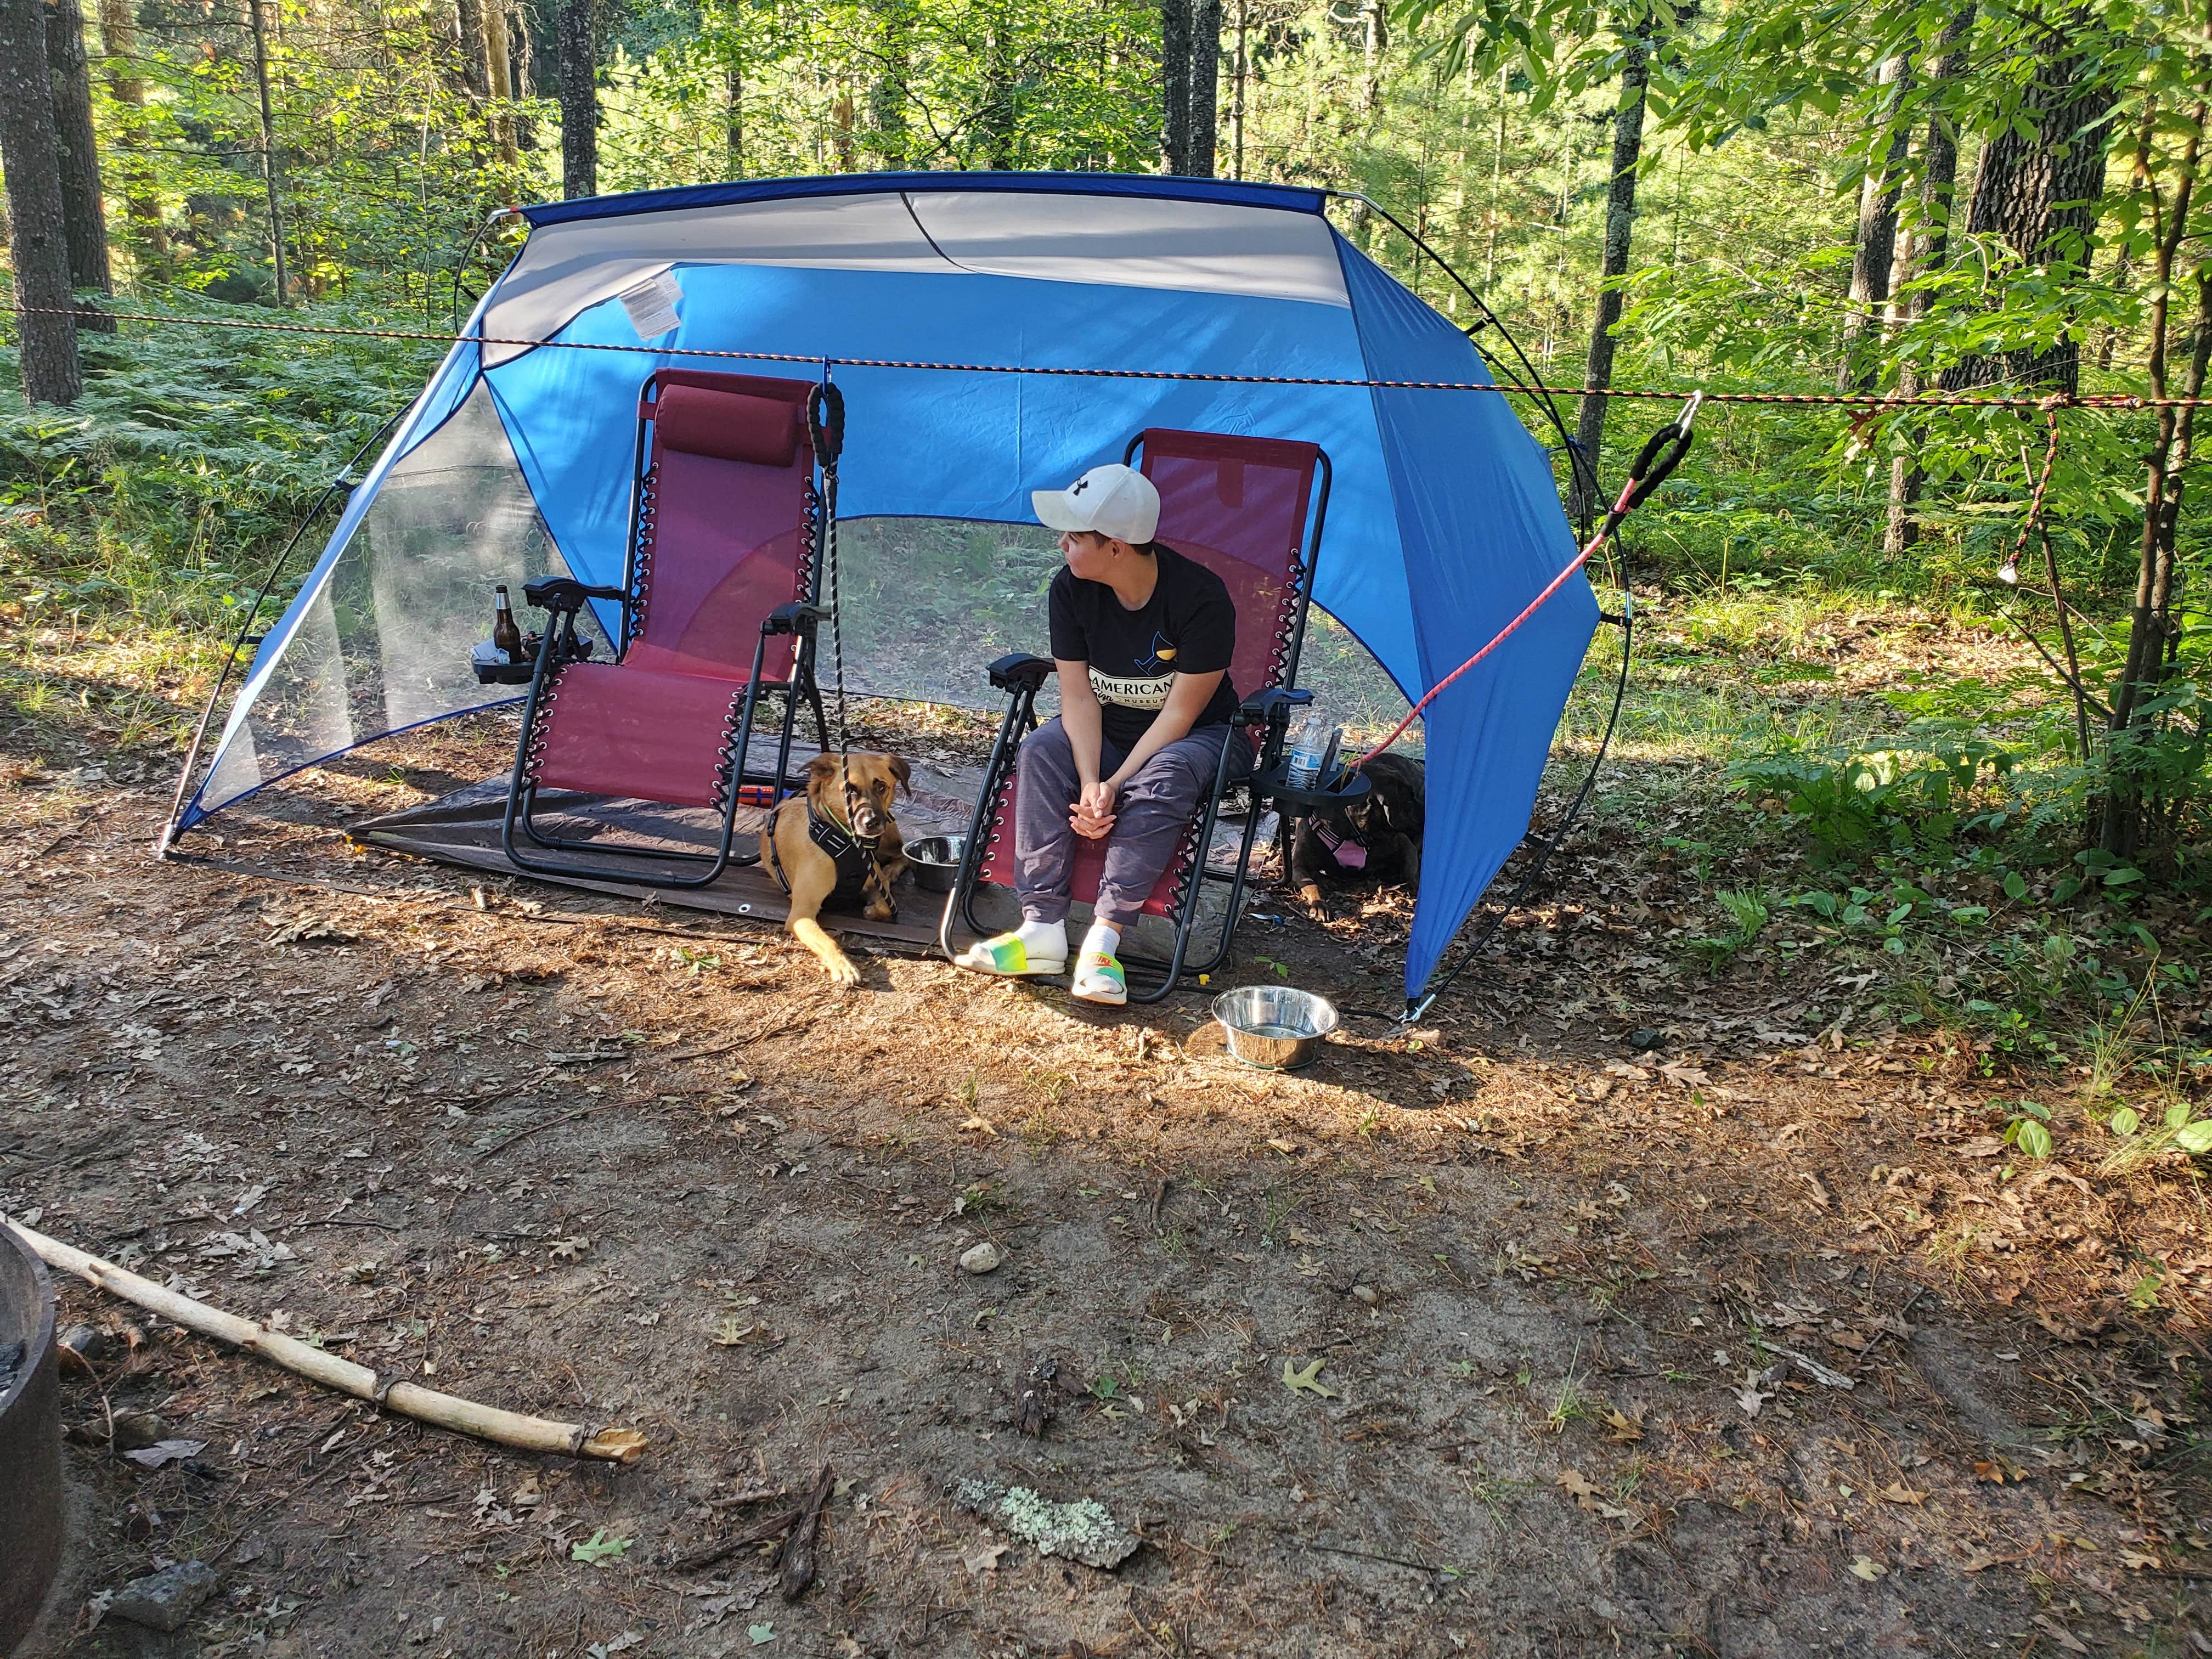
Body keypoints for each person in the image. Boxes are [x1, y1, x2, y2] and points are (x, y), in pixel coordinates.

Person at [957, 461, 1251, 1005]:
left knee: (1165, 773)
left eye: (1075, 536)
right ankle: (1041, 929)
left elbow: (1178, 719)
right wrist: (1092, 780)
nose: (1062, 544)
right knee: (1042, 749)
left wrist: (1114, 783)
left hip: (1203, 736)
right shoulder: (1070, 591)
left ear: (1116, 547)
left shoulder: (1200, 599)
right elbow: (1077, 698)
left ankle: (1103, 943)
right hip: (1109, 730)